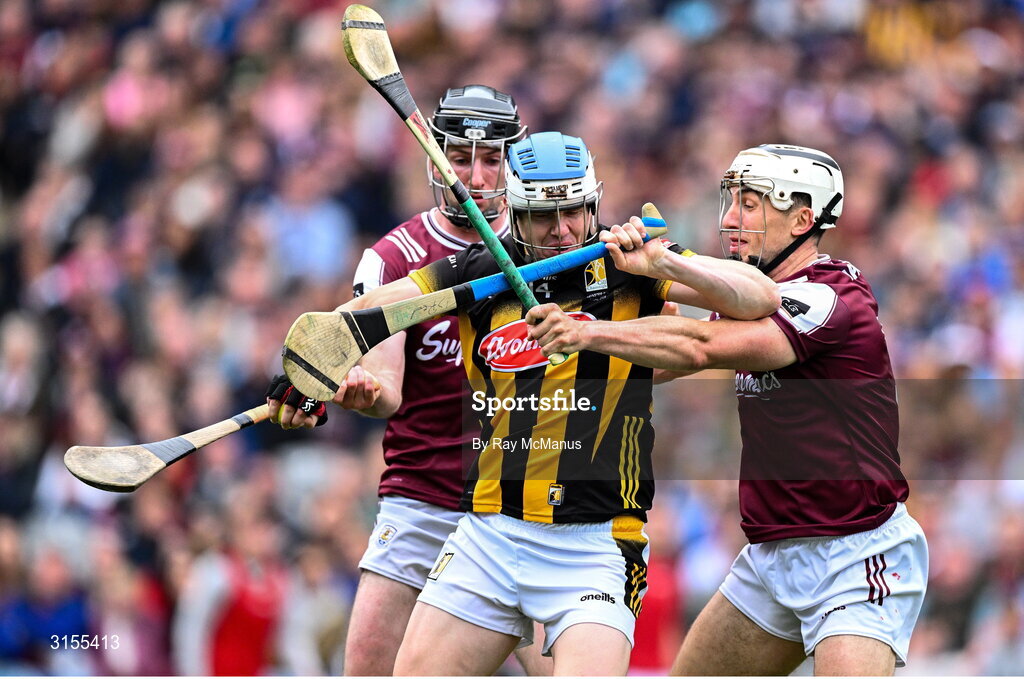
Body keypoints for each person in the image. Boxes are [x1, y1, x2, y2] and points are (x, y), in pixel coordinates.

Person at [274, 130, 777, 675]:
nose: (561, 231)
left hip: (594, 544)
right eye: (542, 217)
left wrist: (665, 264)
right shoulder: (477, 269)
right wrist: (309, 371)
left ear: (594, 203)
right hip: (489, 530)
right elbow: (374, 310)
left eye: (573, 212)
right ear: (514, 212)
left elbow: (759, 297)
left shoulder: (628, 261)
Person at [525, 144, 929, 676]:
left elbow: (699, 346)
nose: (732, 218)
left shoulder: (832, 298)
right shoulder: (751, 296)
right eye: (732, 200)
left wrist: (602, 318)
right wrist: (596, 312)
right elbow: (660, 360)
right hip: (771, 556)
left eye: (753, 204)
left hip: (856, 553)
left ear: (803, 219)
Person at [268, 84, 552, 675]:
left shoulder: (543, 248)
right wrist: (366, 391)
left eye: (492, 158)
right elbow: (388, 387)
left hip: (520, 505)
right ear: (432, 157)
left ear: (512, 160)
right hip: (421, 498)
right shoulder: (393, 258)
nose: (474, 174)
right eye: (459, 156)